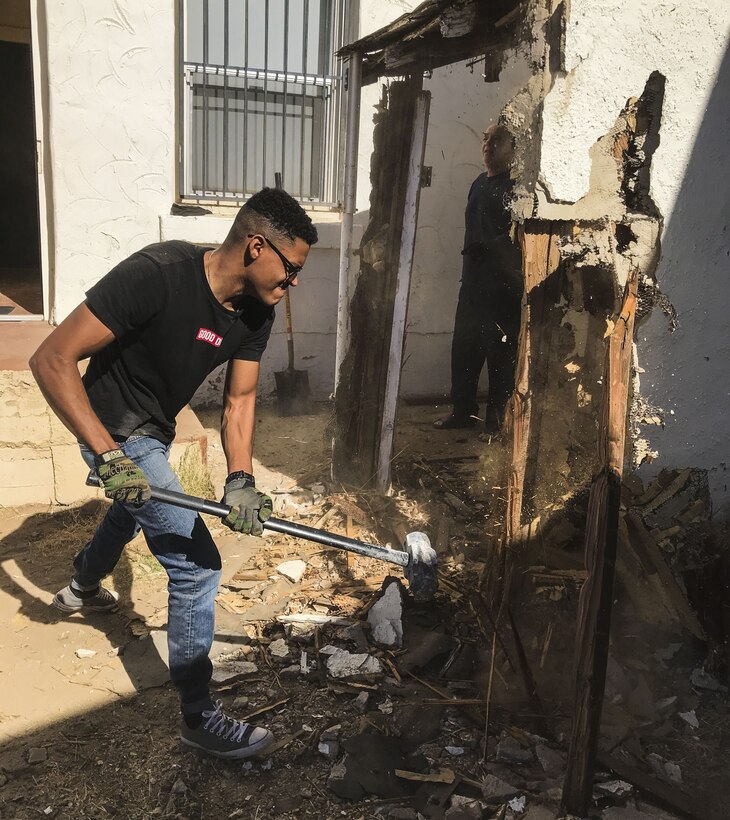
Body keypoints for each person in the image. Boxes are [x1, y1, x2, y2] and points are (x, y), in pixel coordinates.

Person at [29, 187, 318, 759]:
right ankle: (199, 717)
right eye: (290, 270)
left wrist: (241, 478)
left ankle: (85, 582)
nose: (294, 284)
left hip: (154, 428)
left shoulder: (257, 312)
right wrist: (109, 456)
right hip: (112, 428)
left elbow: (239, 402)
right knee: (195, 563)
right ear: (256, 247)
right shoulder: (157, 274)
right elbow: (51, 357)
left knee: (134, 507)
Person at [433, 123, 522, 435]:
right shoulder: (478, 183)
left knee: (499, 355)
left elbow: (519, 238)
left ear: (513, 147)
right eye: (486, 140)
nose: (488, 146)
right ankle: (463, 412)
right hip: (471, 285)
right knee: (464, 350)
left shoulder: (517, 188)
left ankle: (497, 421)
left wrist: (489, 248)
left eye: (497, 141)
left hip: (502, 289)